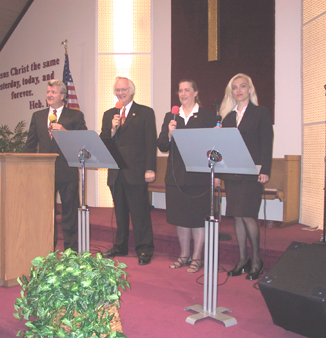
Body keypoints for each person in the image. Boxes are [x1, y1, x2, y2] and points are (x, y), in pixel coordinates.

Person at [216, 73, 273, 280]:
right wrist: (219, 174)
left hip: (252, 172)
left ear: (250, 89)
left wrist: (265, 170)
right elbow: (222, 148)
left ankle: (257, 261)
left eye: (242, 86)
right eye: (235, 87)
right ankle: (242, 259)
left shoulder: (261, 112)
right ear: (231, 92)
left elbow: (267, 142)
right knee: (237, 216)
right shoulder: (228, 117)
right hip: (232, 173)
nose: (238, 90)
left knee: (249, 216)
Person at [157, 79, 217, 273]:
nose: (183, 94)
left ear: (195, 92)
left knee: (198, 218)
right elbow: (163, 146)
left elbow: (214, 146)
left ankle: (197, 257)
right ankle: (184, 255)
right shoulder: (171, 116)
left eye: (187, 90)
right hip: (176, 174)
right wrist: (168, 133)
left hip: (199, 176)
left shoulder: (207, 116)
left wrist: (217, 175)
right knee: (181, 217)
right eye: (180, 91)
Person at [23, 79, 87, 251]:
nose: (49, 95)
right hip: (44, 172)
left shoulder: (75, 115)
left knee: (69, 213)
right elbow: (30, 144)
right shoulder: (37, 116)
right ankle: (47, 247)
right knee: (45, 213)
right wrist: (22, 164)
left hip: (67, 171)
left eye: (53, 92)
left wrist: (66, 133)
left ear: (63, 96)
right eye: (48, 92)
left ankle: (71, 250)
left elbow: (84, 142)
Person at [100, 76, 156, 265]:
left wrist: (150, 168)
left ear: (132, 91)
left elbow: (150, 143)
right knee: (120, 212)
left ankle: (144, 249)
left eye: (124, 90)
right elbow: (103, 141)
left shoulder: (145, 113)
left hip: (136, 171)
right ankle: (120, 246)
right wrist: (113, 130)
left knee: (140, 213)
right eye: (118, 90)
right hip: (116, 172)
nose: (121, 93)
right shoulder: (109, 115)